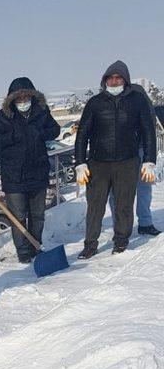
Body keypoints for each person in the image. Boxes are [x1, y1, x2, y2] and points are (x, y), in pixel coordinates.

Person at [74, 60, 157, 258]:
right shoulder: (95, 103)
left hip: (127, 162)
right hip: (98, 163)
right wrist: (80, 162)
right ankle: (90, 244)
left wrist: (149, 159)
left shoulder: (137, 100)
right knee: (95, 205)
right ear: (105, 81)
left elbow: (148, 130)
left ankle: (121, 241)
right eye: (110, 78)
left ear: (125, 80)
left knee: (124, 204)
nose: (114, 81)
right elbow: (82, 134)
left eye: (118, 78)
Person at [0, 77, 61, 263]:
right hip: (14, 176)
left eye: (27, 97)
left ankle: (36, 246)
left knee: (38, 215)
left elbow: (55, 130)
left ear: (33, 97)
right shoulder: (2, 117)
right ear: (12, 100)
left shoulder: (41, 112)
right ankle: (23, 251)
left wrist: (41, 133)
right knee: (18, 217)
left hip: (38, 173)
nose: (23, 101)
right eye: (19, 98)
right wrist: (12, 136)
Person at [108, 81, 160, 236]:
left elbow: (150, 119)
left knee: (144, 187)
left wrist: (149, 150)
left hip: (140, 149)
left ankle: (145, 222)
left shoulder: (138, 92)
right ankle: (120, 227)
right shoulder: (107, 96)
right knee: (116, 191)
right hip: (118, 153)